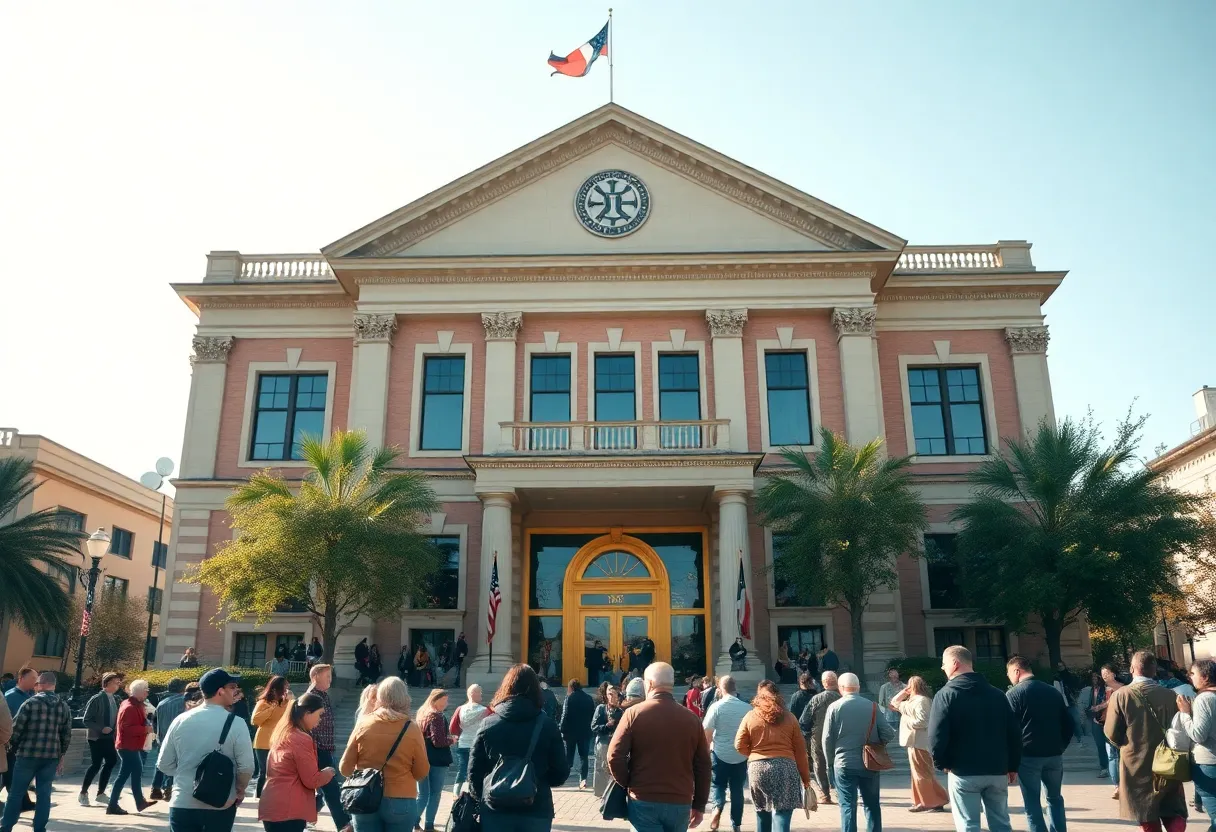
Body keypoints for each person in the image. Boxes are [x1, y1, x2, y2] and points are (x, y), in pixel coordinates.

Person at [607, 662, 711, 832]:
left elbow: (614, 756)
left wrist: (628, 782)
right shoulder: (692, 719)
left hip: (643, 798)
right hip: (680, 799)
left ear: (649, 684)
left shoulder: (634, 714)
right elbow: (704, 766)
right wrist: (699, 804)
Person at [928, 645, 1021, 832]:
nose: (943, 669)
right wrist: (1012, 766)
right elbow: (1013, 732)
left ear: (954, 664)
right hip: (997, 769)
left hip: (964, 770)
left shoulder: (946, 695)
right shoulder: (998, 695)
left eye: (944, 665)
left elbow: (936, 736)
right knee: (1001, 823)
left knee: (968, 825)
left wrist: (941, 763)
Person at [468, 664, 569, 832]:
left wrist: (484, 795)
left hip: (495, 808)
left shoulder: (488, 724)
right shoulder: (547, 726)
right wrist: (536, 779)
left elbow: (474, 772)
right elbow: (560, 773)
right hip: (536, 808)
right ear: (536, 690)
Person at [158, 669, 255, 832]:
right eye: (232, 687)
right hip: (220, 802)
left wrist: (188, 774)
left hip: (183, 801)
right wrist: (239, 789)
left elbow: (164, 764)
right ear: (220, 691)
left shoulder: (180, 720)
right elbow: (246, 767)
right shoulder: (237, 723)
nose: (235, 691)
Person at [1105, 649, 1189, 832]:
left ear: (1132, 669)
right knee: (1172, 807)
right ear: (1154, 670)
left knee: (1145, 811)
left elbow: (1111, 732)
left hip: (1136, 762)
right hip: (1169, 761)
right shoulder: (1170, 695)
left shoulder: (1121, 695)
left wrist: (1126, 744)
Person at [339, 677, 429, 832]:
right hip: (401, 797)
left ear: (380, 697)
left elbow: (345, 768)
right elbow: (421, 772)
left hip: (365, 796)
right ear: (405, 698)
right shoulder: (412, 728)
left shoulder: (364, 723)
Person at [1006, 654, 1074, 832]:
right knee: (1055, 799)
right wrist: (1061, 746)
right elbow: (1068, 723)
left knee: (1032, 803)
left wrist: (1010, 759)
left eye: (1009, 674)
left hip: (1028, 756)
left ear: (1016, 671)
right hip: (1053, 754)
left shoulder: (1014, 694)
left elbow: (1009, 729)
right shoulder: (1052, 691)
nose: (1010, 678)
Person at [823, 672, 895, 832]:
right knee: (872, 805)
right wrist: (876, 742)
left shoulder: (834, 707)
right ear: (859, 687)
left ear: (841, 688)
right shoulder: (873, 706)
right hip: (870, 762)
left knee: (847, 806)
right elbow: (889, 733)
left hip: (843, 763)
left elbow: (827, 738)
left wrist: (829, 762)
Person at [736, 680, 810, 832]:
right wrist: (806, 779)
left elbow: (739, 744)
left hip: (758, 768)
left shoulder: (750, 716)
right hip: (785, 767)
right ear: (778, 696)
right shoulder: (790, 718)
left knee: (762, 812)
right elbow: (801, 752)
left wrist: (754, 754)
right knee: (783, 813)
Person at [0, 672, 70, 832]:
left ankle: (7, 826)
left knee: (16, 793)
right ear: (54, 685)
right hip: (50, 756)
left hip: (27, 755)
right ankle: (39, 828)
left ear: (40, 684)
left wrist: (12, 748)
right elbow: (66, 734)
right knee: (44, 794)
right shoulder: (63, 706)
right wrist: (61, 755)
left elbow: (15, 729)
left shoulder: (30, 703)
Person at [259, 691, 337, 832]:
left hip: (272, 803)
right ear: (307, 713)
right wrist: (328, 772)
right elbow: (311, 780)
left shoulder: (283, 733)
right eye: (319, 715)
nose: (319, 720)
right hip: (289, 807)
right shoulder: (301, 738)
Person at [888, 676, 948, 813]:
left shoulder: (922, 701)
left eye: (910, 685)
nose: (908, 687)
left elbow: (923, 721)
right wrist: (903, 692)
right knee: (918, 774)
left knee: (923, 774)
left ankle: (934, 801)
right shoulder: (912, 701)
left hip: (919, 741)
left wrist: (908, 721)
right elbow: (893, 702)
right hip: (913, 741)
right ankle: (923, 800)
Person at [305, 664, 352, 832]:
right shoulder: (312, 697)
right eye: (327, 677)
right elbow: (308, 726)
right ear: (316, 676)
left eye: (331, 676)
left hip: (325, 747)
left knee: (326, 788)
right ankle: (344, 823)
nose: (330, 680)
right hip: (317, 748)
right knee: (330, 788)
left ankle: (306, 817)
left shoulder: (323, 695)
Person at [701, 675, 750, 832]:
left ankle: (717, 807)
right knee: (737, 790)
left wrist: (703, 754)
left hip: (719, 753)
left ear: (721, 689)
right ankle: (736, 824)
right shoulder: (747, 708)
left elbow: (707, 735)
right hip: (740, 755)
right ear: (735, 688)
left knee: (718, 785)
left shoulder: (716, 707)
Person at [106, 679, 157, 815]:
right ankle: (124, 804)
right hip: (128, 746)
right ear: (139, 692)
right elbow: (128, 729)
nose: (147, 694)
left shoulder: (131, 704)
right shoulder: (130, 707)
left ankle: (132, 803)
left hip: (129, 745)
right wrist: (146, 729)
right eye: (146, 691)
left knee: (127, 774)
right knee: (131, 773)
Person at [1176, 658, 1216, 829]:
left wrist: (1185, 714)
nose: (1189, 677)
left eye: (1193, 673)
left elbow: (1198, 735)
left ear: (1205, 677)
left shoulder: (1204, 698)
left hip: (1207, 763)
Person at [80, 671, 122, 806]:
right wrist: (101, 728)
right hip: (97, 738)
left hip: (110, 737)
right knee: (96, 764)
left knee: (111, 761)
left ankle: (101, 793)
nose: (118, 685)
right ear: (107, 683)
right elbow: (87, 720)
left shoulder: (116, 699)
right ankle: (83, 793)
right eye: (116, 682)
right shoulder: (96, 699)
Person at [416, 688, 454, 832]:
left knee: (423, 793)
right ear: (436, 700)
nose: (446, 703)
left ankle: (413, 821)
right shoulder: (437, 716)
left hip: (422, 758)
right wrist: (452, 740)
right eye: (444, 700)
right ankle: (429, 825)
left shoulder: (422, 714)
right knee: (435, 793)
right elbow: (438, 741)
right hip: (437, 760)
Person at [799, 670, 840, 804]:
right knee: (839, 763)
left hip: (818, 735)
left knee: (819, 764)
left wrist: (808, 733)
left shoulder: (816, 698)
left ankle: (825, 795)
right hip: (840, 735)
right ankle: (841, 794)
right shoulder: (842, 697)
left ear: (823, 683)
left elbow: (804, 720)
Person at [0, 668, 36, 814]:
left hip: (16, 743)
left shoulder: (28, 696)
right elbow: (7, 724)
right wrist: (5, 740)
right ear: (21, 679)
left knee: (13, 774)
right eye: (33, 678)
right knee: (11, 774)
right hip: (10, 743)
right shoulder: (9, 696)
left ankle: (23, 801)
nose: (36, 682)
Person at [252, 676, 293, 798]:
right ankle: (259, 798)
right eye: (284, 687)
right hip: (263, 742)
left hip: (281, 742)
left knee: (279, 772)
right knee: (264, 772)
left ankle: (275, 798)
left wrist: (291, 701)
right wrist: (272, 707)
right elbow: (255, 720)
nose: (286, 690)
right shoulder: (263, 702)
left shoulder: (288, 704)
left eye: (288, 687)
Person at [151, 678, 187, 801]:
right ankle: (168, 789)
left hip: (162, 737)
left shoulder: (162, 703)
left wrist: (157, 734)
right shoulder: (184, 702)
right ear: (182, 689)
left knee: (160, 762)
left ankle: (155, 788)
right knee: (174, 764)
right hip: (178, 738)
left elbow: (154, 722)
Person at [449, 684, 490, 795]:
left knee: (462, 770)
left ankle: (456, 793)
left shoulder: (460, 709)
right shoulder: (486, 710)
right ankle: (475, 793)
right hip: (478, 744)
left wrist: (457, 735)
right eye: (479, 692)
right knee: (477, 770)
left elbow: (452, 727)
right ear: (473, 694)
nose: (481, 694)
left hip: (463, 743)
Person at [560, 679, 595, 789]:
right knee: (584, 757)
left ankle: (563, 778)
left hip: (571, 733)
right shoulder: (589, 698)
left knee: (569, 756)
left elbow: (565, 715)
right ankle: (583, 780)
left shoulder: (569, 698)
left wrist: (561, 728)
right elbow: (592, 716)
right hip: (585, 732)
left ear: (571, 687)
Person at [591, 685, 624, 798]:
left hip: (615, 743)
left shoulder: (620, 712)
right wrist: (606, 726)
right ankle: (601, 793)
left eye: (614, 695)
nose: (611, 697)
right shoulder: (601, 709)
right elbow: (594, 726)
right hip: (603, 742)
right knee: (601, 767)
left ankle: (611, 793)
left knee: (612, 768)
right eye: (609, 694)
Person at [1078, 670, 1111, 777]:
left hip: (1106, 719)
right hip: (1095, 720)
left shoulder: (1106, 688)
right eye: (1092, 678)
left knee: (1111, 745)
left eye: (1096, 678)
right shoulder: (1093, 689)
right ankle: (1104, 767)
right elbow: (1092, 702)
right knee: (1100, 745)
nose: (1094, 680)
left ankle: (1113, 767)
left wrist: (1097, 708)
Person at [1102, 663, 1125, 797]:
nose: (1104, 675)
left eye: (1106, 672)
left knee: (1121, 755)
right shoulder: (1102, 689)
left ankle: (1124, 784)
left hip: (1121, 724)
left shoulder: (1123, 689)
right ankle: (1116, 786)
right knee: (1111, 756)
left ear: (1114, 673)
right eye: (1102, 673)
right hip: (1105, 724)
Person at [877, 667, 906, 732]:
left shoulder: (905, 687)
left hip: (902, 716)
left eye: (895, 672)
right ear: (889, 675)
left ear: (898, 674)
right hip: (889, 717)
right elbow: (880, 702)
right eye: (891, 672)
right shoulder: (884, 687)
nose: (894, 675)